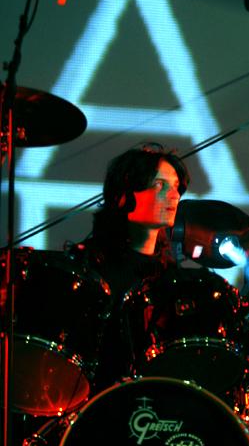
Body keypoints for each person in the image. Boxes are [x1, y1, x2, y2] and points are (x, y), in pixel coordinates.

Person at [70, 142, 191, 393]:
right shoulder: (88, 268)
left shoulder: (170, 276)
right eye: (159, 185)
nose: (174, 195)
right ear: (123, 195)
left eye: (176, 187)